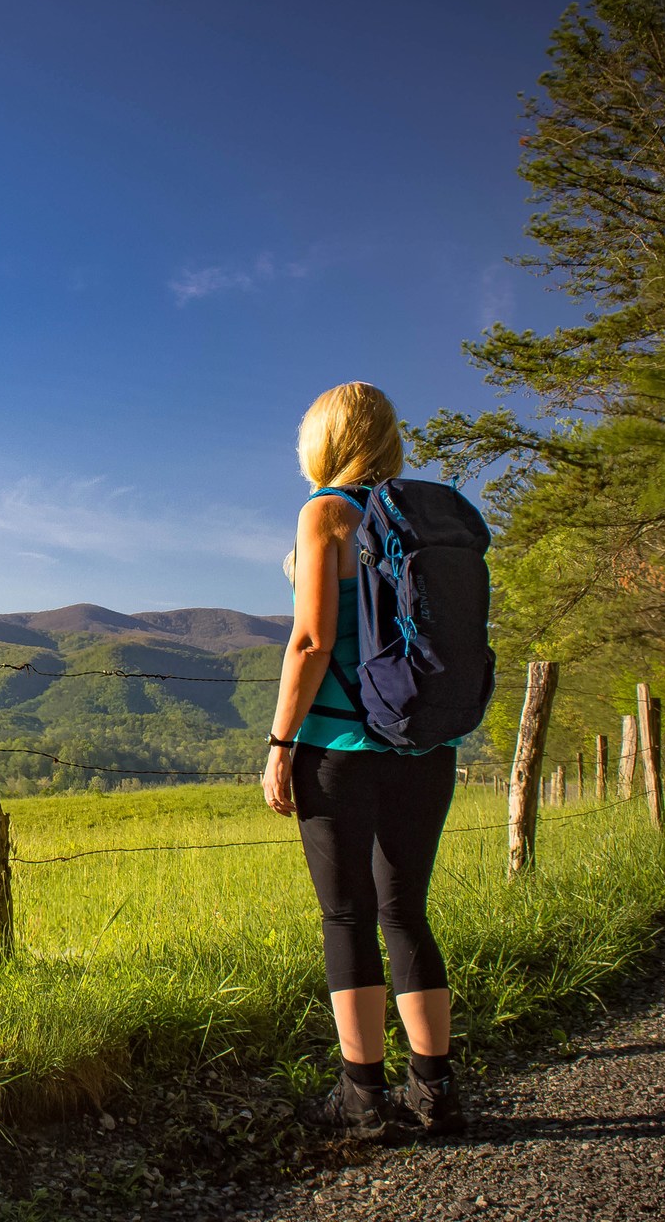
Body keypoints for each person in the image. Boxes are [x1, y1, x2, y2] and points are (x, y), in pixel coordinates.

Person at [261, 381, 466, 1140]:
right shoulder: (419, 516)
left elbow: (311, 641)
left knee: (346, 914)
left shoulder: (327, 512)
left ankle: (361, 1097)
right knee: (405, 912)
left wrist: (280, 743)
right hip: (425, 743)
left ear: (324, 441)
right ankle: (435, 1092)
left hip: (339, 746)